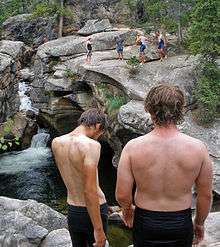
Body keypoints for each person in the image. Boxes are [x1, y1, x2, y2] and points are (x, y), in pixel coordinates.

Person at [116, 84, 213, 247]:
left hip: (145, 222)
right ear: (180, 110)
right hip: (180, 223)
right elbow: (205, 195)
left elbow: (122, 194)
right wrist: (199, 223)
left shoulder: (132, 147)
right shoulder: (198, 148)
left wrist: (127, 211)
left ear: (149, 109)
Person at [52, 108, 109, 247]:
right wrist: (99, 229)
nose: (98, 136)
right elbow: (89, 191)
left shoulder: (56, 142)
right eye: (100, 132)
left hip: (73, 209)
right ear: (97, 125)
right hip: (94, 211)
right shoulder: (91, 145)